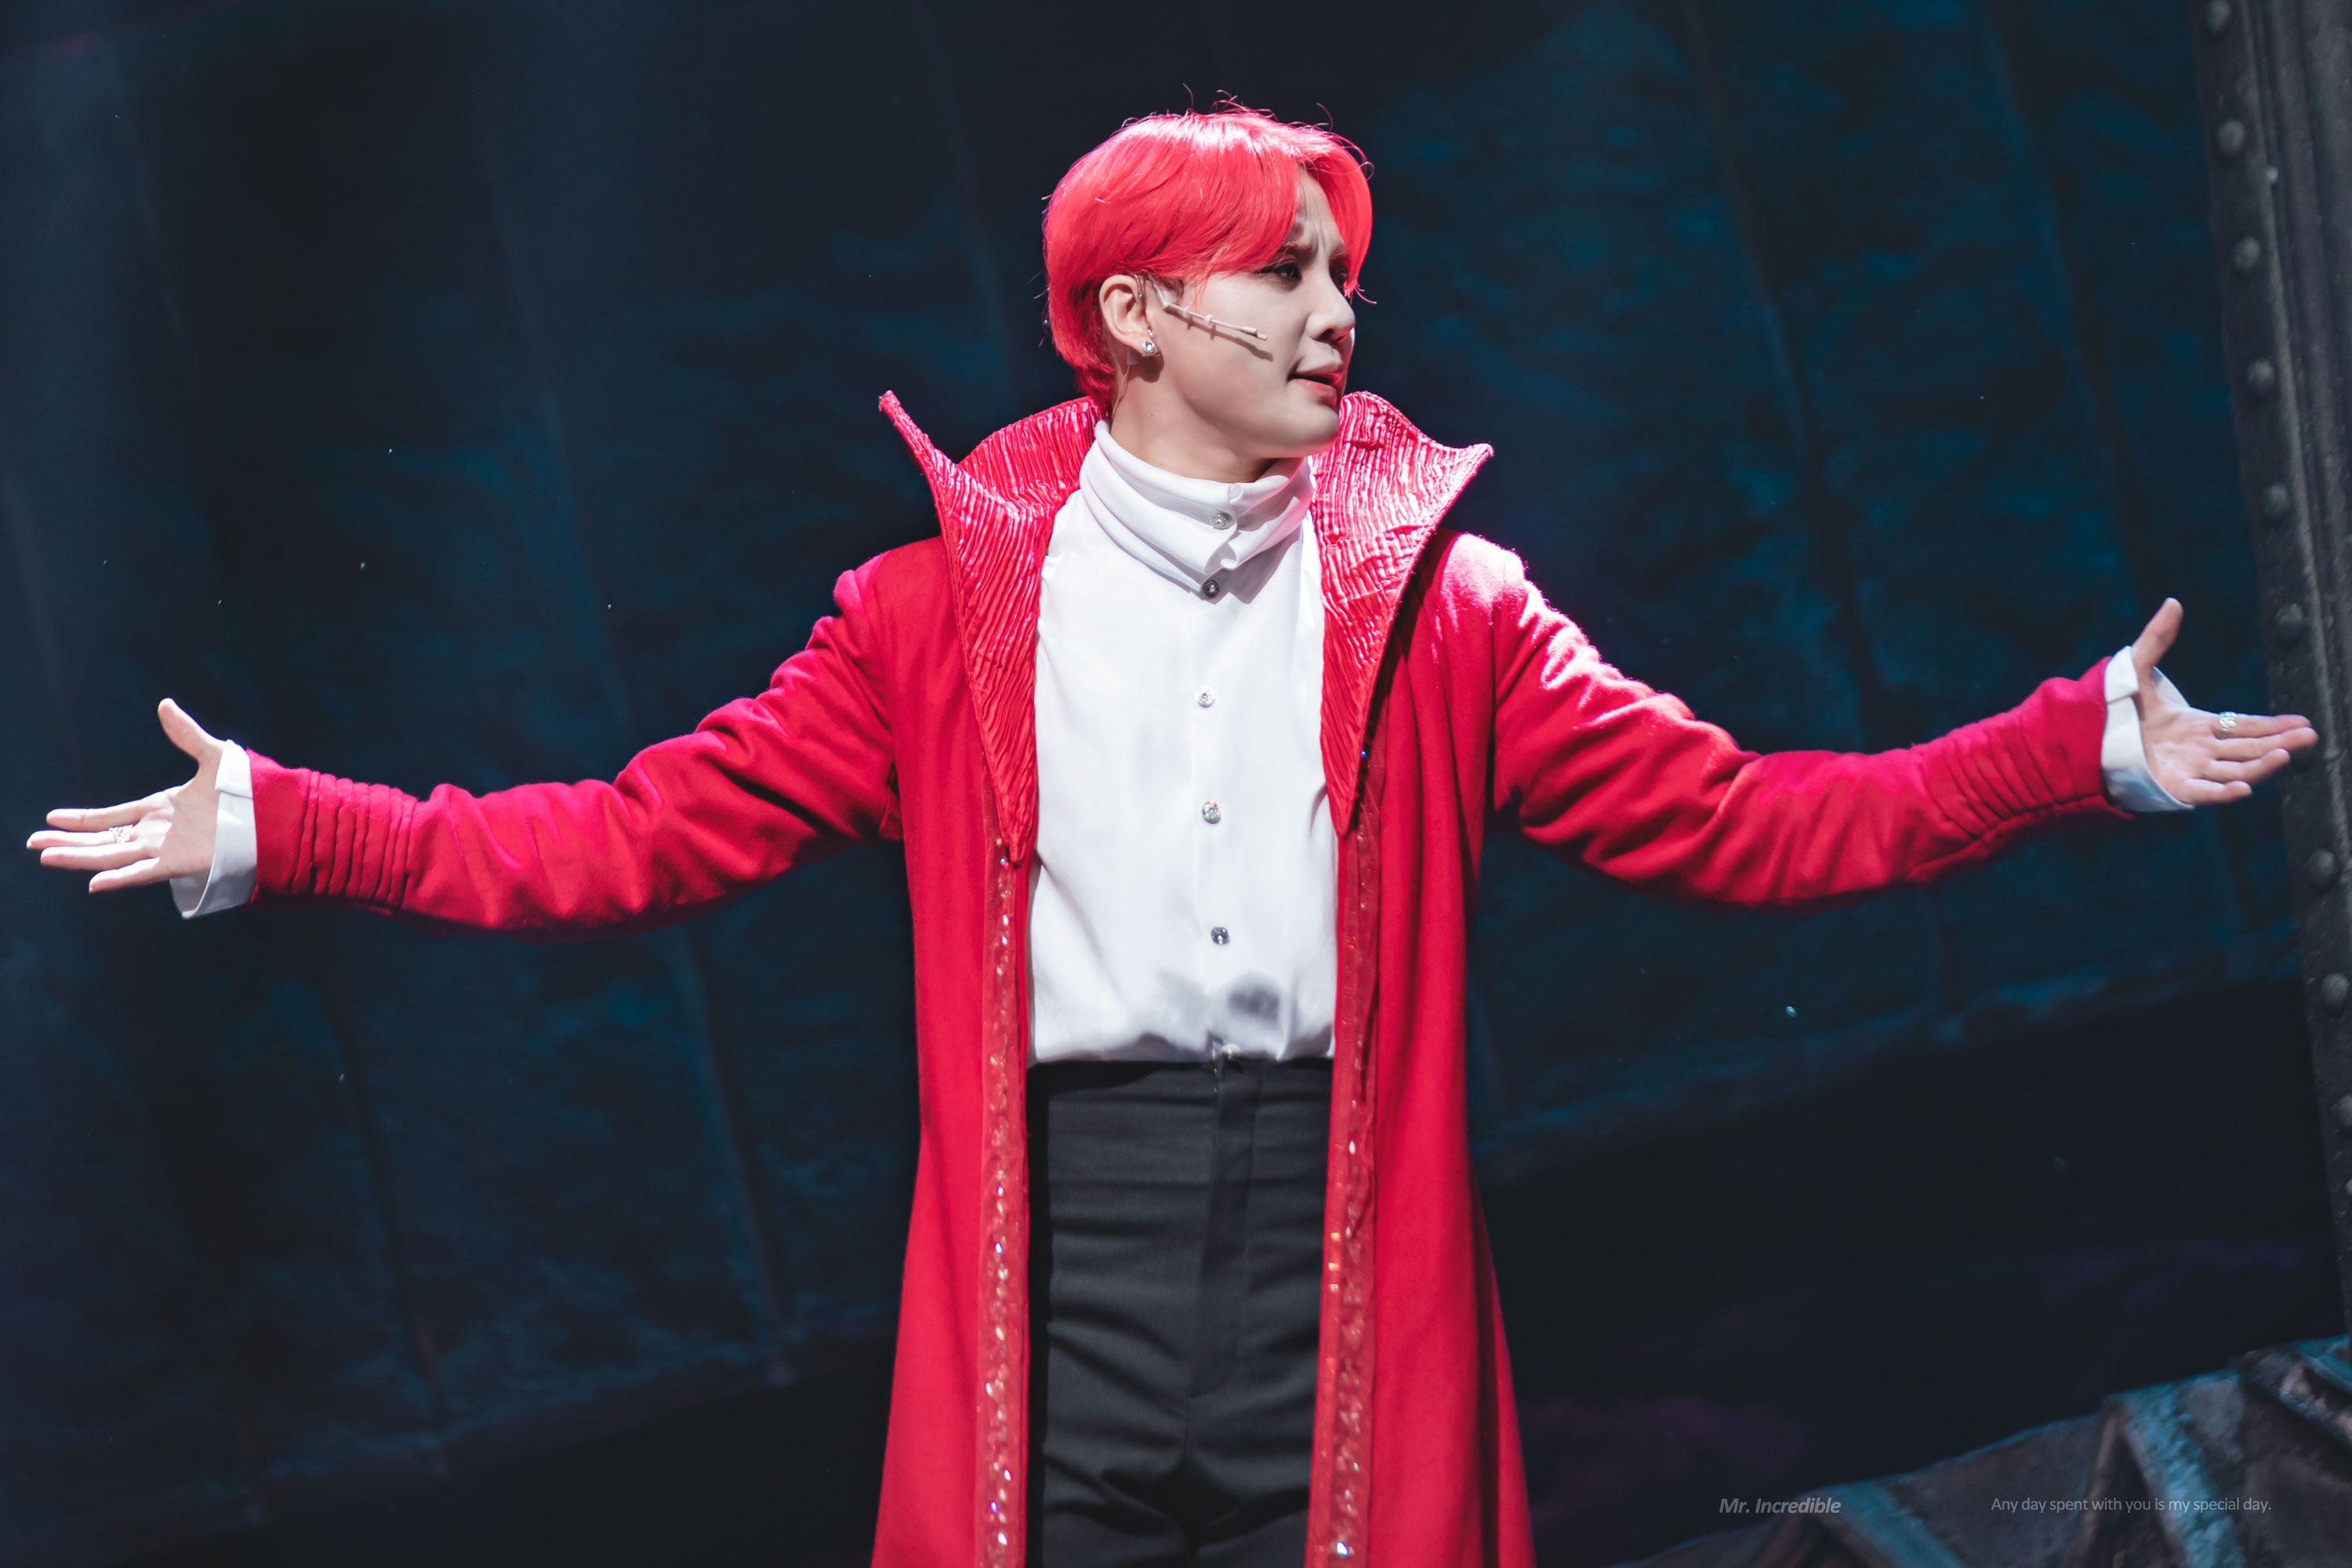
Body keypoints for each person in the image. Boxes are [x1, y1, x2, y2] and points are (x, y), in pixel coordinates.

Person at [25, 104, 2315, 1568]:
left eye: (1343, 273)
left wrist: (2064, 753)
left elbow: (1748, 824)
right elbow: (632, 838)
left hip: (1341, 1257)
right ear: (1134, 314)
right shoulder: (930, 623)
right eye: (1285, 272)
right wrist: (298, 828)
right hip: (1065, 1270)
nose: (1337, 313)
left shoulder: (1449, 610)